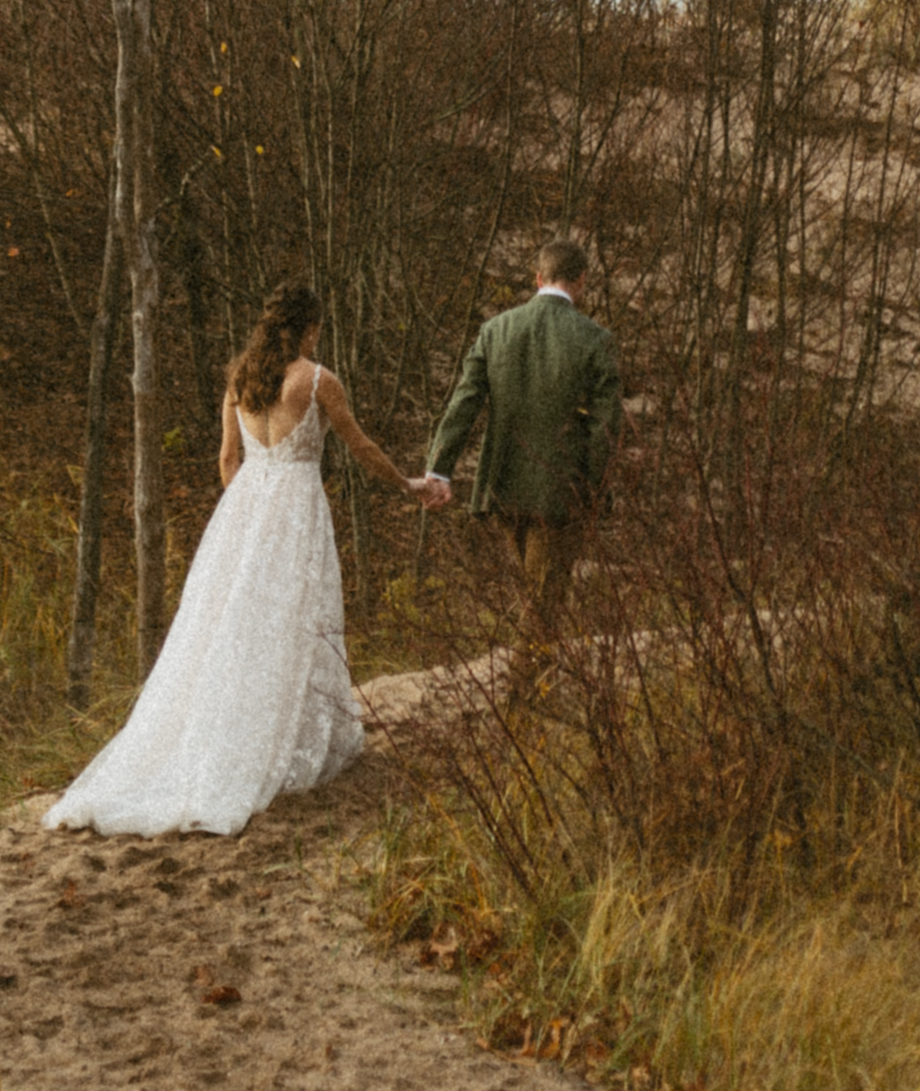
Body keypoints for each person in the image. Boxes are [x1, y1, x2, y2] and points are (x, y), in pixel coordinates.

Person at [44, 280, 451, 837]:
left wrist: (247, 509)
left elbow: (227, 459)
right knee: (295, 622)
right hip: (296, 511)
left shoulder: (240, 379)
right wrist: (408, 484)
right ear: (308, 327)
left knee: (227, 627)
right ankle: (284, 742)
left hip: (244, 510)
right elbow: (361, 447)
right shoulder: (317, 381)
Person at [423, 230, 621, 651]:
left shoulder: (495, 330)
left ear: (537, 277)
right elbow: (606, 427)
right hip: (560, 492)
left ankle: (526, 695)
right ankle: (519, 706)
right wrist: (596, 489)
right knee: (543, 607)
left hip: (502, 488)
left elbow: (464, 403)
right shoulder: (595, 340)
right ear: (582, 279)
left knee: (534, 599)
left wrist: (439, 469)